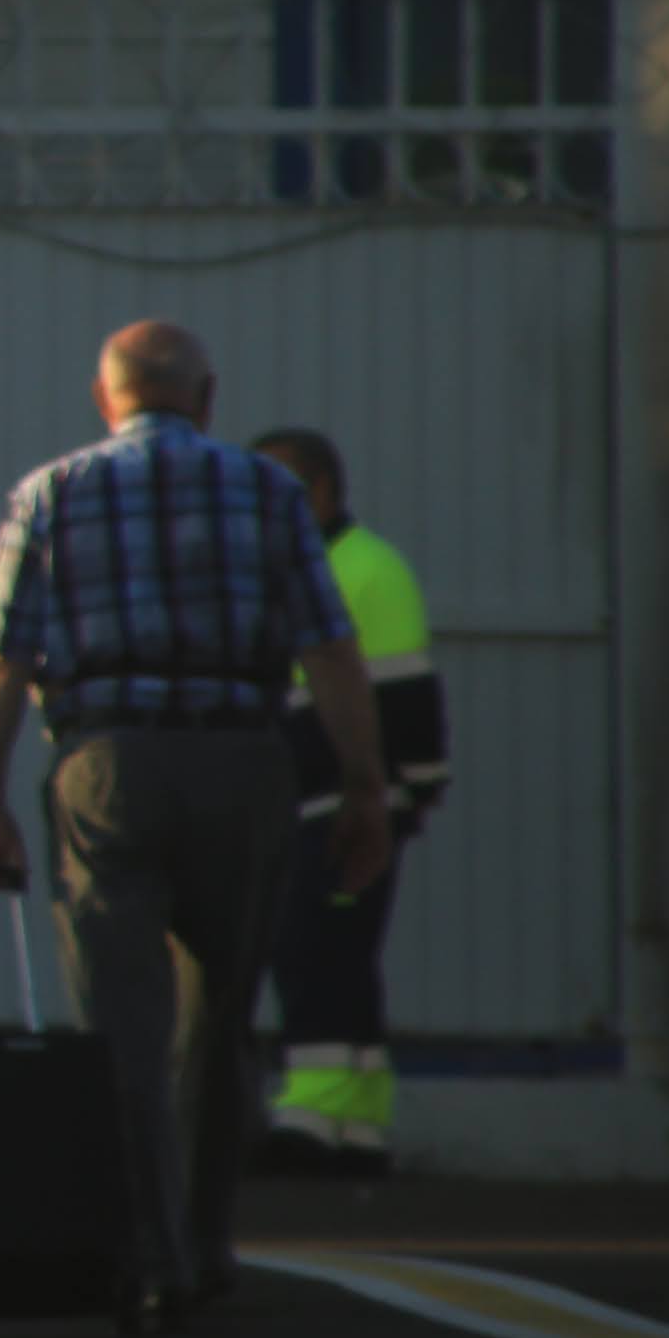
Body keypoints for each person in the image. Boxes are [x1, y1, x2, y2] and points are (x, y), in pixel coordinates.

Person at [0, 322, 390, 1324]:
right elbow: (330, 650)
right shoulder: (270, 492)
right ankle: (202, 1243)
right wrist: (364, 787)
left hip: (106, 764)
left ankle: (145, 1257)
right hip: (241, 761)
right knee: (217, 1016)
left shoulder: (50, 493)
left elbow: (0, 661)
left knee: (120, 1024)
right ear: (206, 395)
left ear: (103, 397)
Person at [244, 428, 450, 1174]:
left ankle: (311, 1115)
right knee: (341, 953)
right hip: (320, 797)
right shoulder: (312, 568)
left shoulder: (363, 569)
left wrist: (408, 790)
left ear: (321, 492)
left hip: (345, 802)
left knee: (313, 951)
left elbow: (405, 692)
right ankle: (358, 1124)